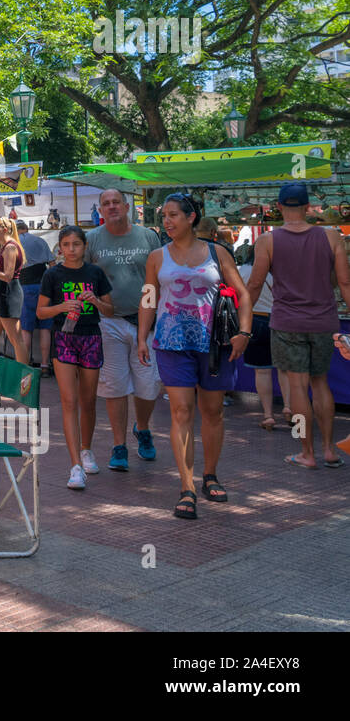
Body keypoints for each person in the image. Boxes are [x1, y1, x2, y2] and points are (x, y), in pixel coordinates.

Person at [138, 193, 252, 520]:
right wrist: (142, 337)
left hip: (215, 342)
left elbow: (242, 294)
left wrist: (244, 332)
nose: (167, 222)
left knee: (213, 411)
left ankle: (210, 475)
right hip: (173, 342)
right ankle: (186, 487)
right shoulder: (157, 257)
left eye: (173, 215)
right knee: (181, 410)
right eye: (164, 217)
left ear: (191, 218)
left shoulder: (217, 252)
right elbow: (149, 297)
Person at [246, 183, 350, 469]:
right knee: (321, 383)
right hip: (325, 322)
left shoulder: (267, 241)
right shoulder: (332, 238)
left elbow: (254, 285)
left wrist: (243, 322)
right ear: (308, 207)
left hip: (288, 322)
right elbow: (344, 283)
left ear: (278, 207)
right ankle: (329, 449)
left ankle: (307, 452)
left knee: (298, 388)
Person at [86, 188, 164, 471]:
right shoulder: (92, 239)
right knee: (114, 387)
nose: (111, 207)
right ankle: (119, 445)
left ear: (127, 205)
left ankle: (142, 428)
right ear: (101, 209)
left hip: (145, 322)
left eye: (115, 202)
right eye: (105, 203)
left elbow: (157, 278)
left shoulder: (148, 236)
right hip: (107, 322)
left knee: (149, 385)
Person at [37, 226, 114, 491]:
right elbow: (41, 312)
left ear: (85, 247)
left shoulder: (95, 273)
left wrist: (94, 301)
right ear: (59, 247)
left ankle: (86, 449)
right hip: (64, 338)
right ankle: (74, 466)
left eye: (76, 244)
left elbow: (110, 309)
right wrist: (62, 306)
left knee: (88, 400)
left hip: (91, 337)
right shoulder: (52, 274)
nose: (71, 249)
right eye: (66, 244)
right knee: (68, 401)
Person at [237, 246, 288, 429]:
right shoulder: (278, 272)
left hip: (253, 320)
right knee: (284, 369)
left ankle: (268, 415)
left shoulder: (241, 270)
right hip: (278, 319)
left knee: (262, 371)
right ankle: (288, 407)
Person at [0, 216, 29, 387]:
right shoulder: (6, 247)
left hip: (9, 294)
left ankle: (24, 379)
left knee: (16, 339)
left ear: (5, 229)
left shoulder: (10, 247)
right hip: (2, 295)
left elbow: (8, 276)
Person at [18, 223, 55, 379]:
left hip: (24, 287)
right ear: (27, 228)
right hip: (43, 287)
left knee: (27, 329)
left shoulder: (14, 243)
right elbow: (52, 265)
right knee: (45, 328)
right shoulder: (40, 241)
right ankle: (45, 366)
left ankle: (25, 366)